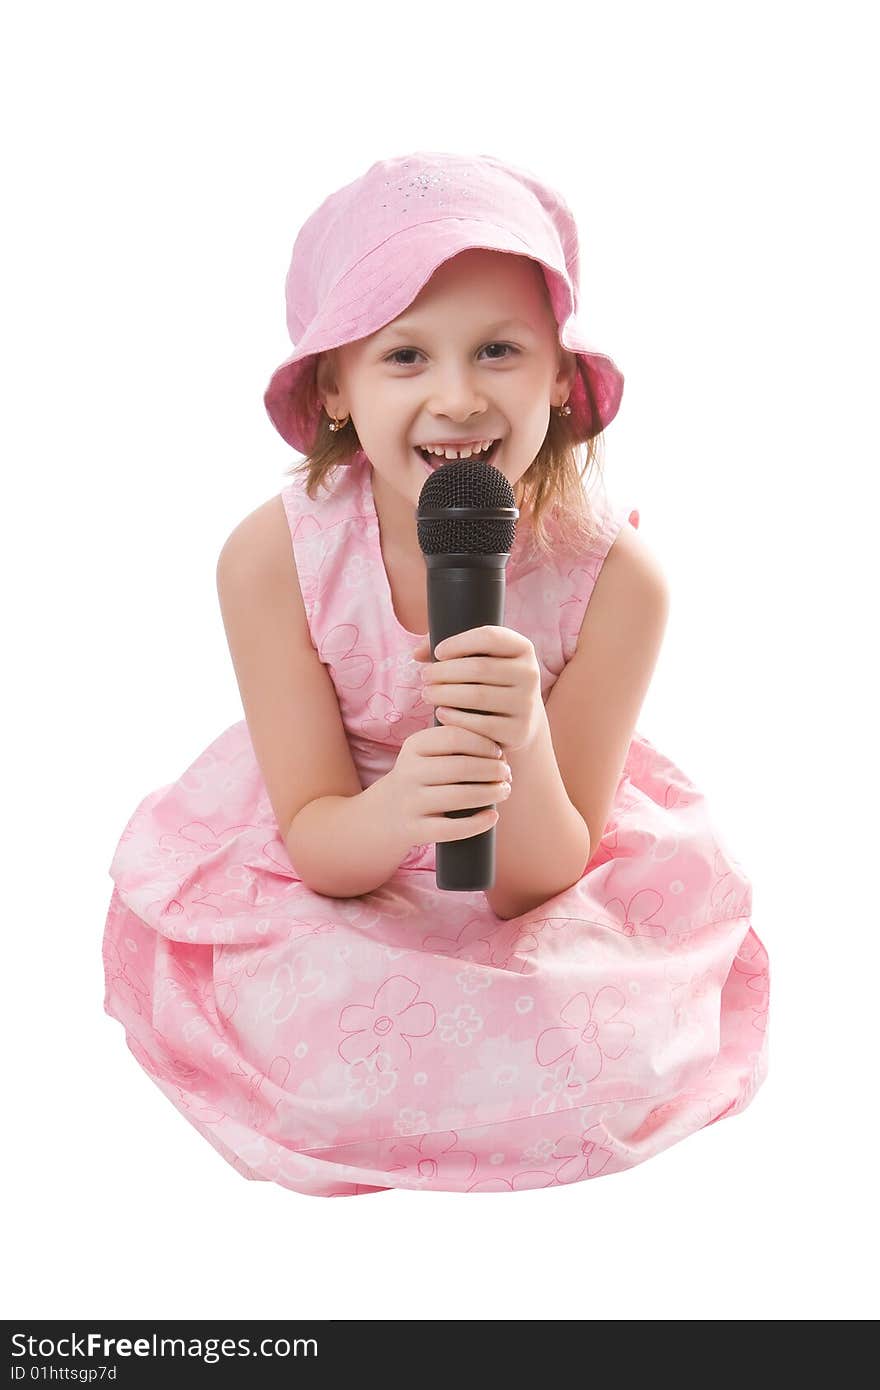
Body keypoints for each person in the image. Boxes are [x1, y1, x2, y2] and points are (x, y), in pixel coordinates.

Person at [102, 151, 770, 1198]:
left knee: (595, 1034)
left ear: (558, 371)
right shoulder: (273, 558)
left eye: (498, 350)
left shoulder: (618, 582)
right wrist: (403, 805)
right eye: (405, 356)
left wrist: (520, 739)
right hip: (347, 835)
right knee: (313, 1026)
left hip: (532, 843)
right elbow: (320, 836)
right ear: (334, 389)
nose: (456, 398)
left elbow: (538, 883)